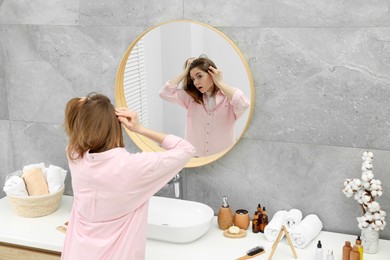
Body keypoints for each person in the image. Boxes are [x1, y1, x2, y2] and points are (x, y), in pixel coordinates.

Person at [61, 93, 195, 260]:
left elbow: (75, 112)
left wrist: (93, 106)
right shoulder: (133, 167)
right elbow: (186, 149)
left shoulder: (74, 155)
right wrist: (139, 129)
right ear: (116, 125)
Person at [159, 56, 250, 157]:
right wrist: (185, 72)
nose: (196, 82)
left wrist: (219, 82)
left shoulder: (230, 96)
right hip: (196, 157)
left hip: (224, 157)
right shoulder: (191, 97)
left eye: (199, 76)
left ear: (212, 73)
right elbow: (164, 93)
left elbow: (244, 104)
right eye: (193, 79)